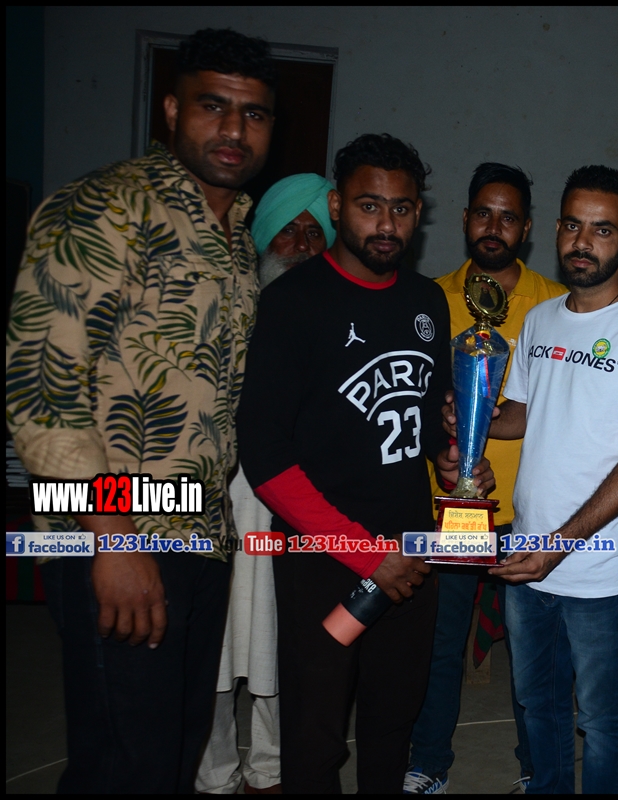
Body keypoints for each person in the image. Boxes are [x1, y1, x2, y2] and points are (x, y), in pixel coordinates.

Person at [4, 28, 275, 793]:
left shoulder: (236, 238)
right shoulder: (103, 208)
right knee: (123, 766)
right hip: (114, 533)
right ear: (172, 110)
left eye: (254, 114)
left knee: (172, 755)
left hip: (200, 534)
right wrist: (114, 540)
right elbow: (42, 390)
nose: (234, 129)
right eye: (213, 106)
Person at [236, 133, 493, 793]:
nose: (386, 224)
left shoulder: (427, 302)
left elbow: (427, 426)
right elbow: (264, 455)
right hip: (323, 560)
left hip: (411, 557)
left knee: (392, 726)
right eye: (369, 206)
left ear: (419, 213)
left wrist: (456, 464)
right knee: (315, 738)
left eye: (401, 209)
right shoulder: (293, 302)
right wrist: (363, 553)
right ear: (336, 206)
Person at [448, 165, 618, 793]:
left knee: (600, 720)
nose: (584, 242)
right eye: (573, 226)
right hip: (527, 556)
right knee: (539, 707)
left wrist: (560, 543)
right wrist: (471, 417)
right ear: (556, 230)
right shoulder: (541, 320)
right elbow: (523, 414)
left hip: (597, 569)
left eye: (602, 230)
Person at [404, 163, 566, 794]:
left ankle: (537, 770)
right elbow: (410, 398)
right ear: (465, 218)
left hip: (527, 510)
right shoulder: (427, 298)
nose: (493, 227)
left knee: (532, 651)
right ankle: (428, 764)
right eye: (482, 213)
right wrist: (438, 435)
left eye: (508, 217)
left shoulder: (557, 304)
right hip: (451, 504)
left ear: (526, 228)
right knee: (440, 644)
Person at [195, 172, 336, 795]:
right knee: (218, 636)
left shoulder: (338, 312)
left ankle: (274, 767)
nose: (301, 245)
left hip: (299, 500)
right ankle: (215, 769)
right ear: (262, 238)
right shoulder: (226, 301)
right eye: (288, 231)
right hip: (220, 497)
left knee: (284, 634)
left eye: (315, 232)